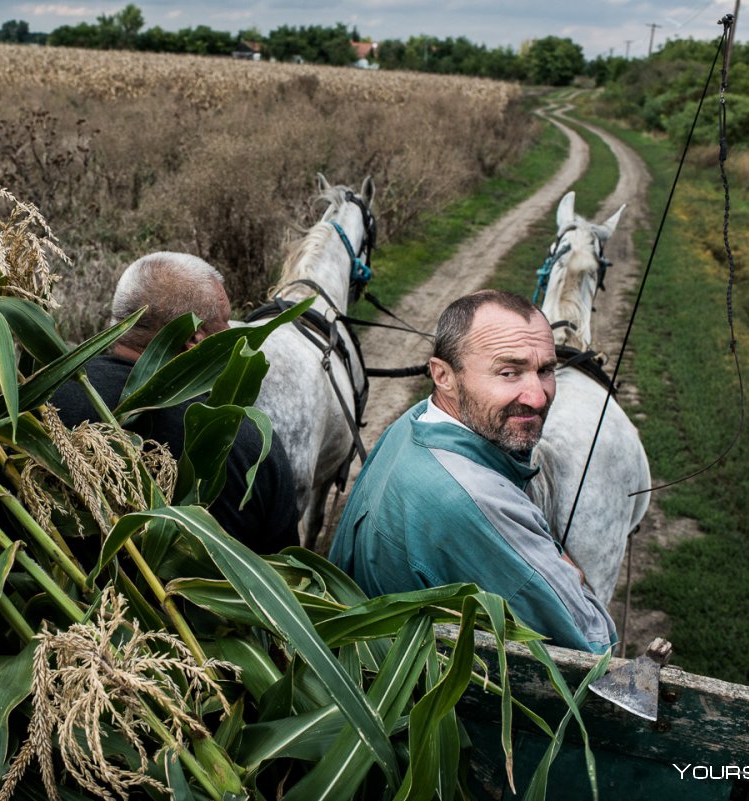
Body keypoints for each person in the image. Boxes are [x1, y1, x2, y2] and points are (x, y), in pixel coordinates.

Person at [328, 289, 615, 653]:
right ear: (443, 375)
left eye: (545, 370)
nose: (538, 396)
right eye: (509, 372)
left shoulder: (414, 421)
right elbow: (593, 644)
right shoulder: (473, 501)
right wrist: (566, 567)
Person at [51, 252, 300, 553]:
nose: (233, 333)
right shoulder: (246, 442)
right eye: (224, 322)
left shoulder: (45, 401)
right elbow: (283, 573)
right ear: (194, 340)